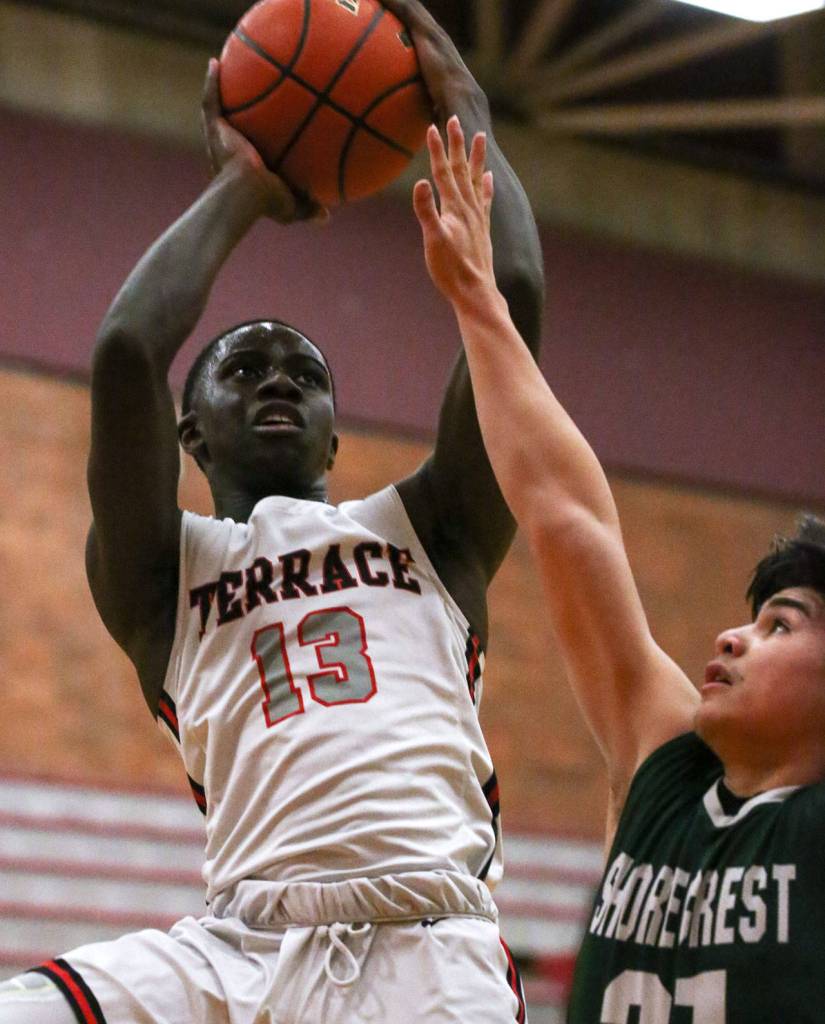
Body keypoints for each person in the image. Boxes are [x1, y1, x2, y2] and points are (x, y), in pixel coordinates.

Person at [0, 3, 544, 1024]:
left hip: (427, 940)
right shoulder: (165, 573)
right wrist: (245, 184)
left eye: (304, 371)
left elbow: (509, 298)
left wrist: (467, 107)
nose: (277, 380)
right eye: (242, 368)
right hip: (237, 945)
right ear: (189, 435)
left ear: (337, 438)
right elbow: (124, 352)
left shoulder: (435, 527)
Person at [412, 115, 825, 1023]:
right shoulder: (662, 770)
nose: (732, 636)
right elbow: (567, 520)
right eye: (751, 619)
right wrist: (478, 300)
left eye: (781, 624)